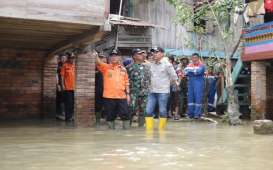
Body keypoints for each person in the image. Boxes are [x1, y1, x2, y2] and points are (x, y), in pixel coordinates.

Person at [96, 49, 130, 129]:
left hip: (122, 96)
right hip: (109, 96)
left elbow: (127, 82)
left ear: (120, 58)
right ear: (110, 58)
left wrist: (128, 94)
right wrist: (95, 54)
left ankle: (126, 132)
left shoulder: (123, 69)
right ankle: (111, 133)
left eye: (116, 56)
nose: (114, 57)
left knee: (125, 114)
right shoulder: (106, 67)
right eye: (112, 56)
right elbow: (98, 62)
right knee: (110, 116)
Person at [145, 47, 178, 131]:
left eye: (156, 52)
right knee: (148, 111)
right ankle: (149, 131)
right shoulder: (151, 64)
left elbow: (174, 77)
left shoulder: (167, 64)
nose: (154, 54)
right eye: (153, 52)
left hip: (163, 92)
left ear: (162, 54)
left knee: (162, 111)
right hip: (152, 91)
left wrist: (166, 85)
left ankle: (161, 130)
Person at [127, 48, 151, 127]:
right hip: (133, 92)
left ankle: (141, 127)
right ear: (134, 56)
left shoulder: (146, 67)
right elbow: (126, 81)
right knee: (131, 109)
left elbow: (149, 79)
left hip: (144, 92)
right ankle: (127, 126)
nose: (141, 55)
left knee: (143, 111)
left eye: (141, 53)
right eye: (139, 54)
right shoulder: (129, 67)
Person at [184, 53, 206, 119]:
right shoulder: (190, 65)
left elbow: (198, 72)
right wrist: (193, 71)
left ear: (198, 58)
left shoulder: (202, 65)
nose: (194, 59)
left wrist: (191, 71)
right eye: (193, 58)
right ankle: (191, 114)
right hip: (190, 83)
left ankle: (197, 114)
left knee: (198, 98)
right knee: (190, 98)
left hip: (198, 83)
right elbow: (185, 71)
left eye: (195, 57)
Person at [60, 54, 75, 122]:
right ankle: (67, 117)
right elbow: (62, 76)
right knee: (68, 103)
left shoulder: (75, 65)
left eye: (73, 58)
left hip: (75, 88)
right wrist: (62, 85)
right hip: (68, 88)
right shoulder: (65, 65)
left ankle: (72, 116)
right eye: (71, 58)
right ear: (69, 59)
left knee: (73, 103)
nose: (72, 59)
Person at [95, 53, 107, 127]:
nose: (102, 59)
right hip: (98, 90)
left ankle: (107, 119)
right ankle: (97, 120)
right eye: (101, 58)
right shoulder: (95, 67)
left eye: (104, 58)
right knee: (98, 105)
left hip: (107, 90)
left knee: (107, 105)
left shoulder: (108, 67)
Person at [167, 56, 180, 120]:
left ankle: (176, 114)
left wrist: (178, 83)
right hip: (167, 86)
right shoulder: (165, 67)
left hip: (175, 85)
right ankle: (169, 113)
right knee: (169, 100)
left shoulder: (176, 68)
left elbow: (180, 75)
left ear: (171, 61)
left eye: (168, 60)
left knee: (176, 100)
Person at [56, 55, 66, 120]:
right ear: (60, 59)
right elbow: (56, 75)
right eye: (62, 58)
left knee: (65, 98)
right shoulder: (58, 66)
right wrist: (58, 84)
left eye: (65, 58)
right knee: (60, 98)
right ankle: (61, 112)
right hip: (60, 84)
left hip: (66, 84)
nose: (64, 59)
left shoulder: (67, 65)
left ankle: (64, 112)